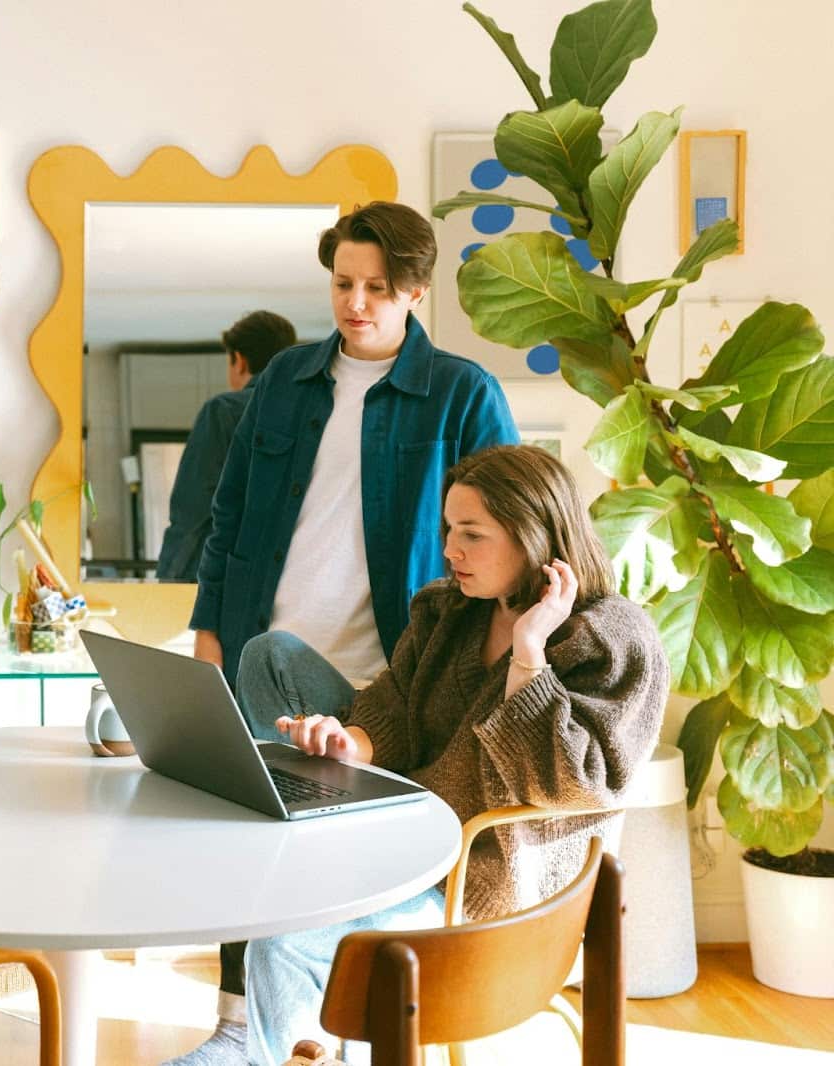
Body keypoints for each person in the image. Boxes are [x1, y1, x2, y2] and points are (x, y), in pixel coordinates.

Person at [170, 202, 518, 1066]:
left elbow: (509, 530)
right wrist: (208, 636)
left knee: (342, 866)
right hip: (271, 661)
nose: (355, 303)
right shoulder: (285, 380)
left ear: (415, 290)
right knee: (250, 842)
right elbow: (229, 518)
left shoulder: (463, 393)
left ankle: (336, 1034)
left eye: (375, 287)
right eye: (341, 284)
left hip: (389, 680)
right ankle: (243, 1028)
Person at [236, 445, 668, 1065]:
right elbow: (398, 701)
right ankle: (314, 1043)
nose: (450, 550)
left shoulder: (615, 641)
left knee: (281, 943)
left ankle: (305, 1045)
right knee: (270, 655)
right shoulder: (450, 610)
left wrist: (530, 652)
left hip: (486, 874)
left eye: (472, 534)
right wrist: (350, 742)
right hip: (407, 822)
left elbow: (571, 786)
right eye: (448, 530)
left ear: (534, 536)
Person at [157, 311, 298, 582]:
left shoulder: (223, 412)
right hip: (294, 579)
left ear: (239, 360)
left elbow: (192, 505)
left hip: (224, 576)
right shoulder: (314, 413)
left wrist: (168, 577)